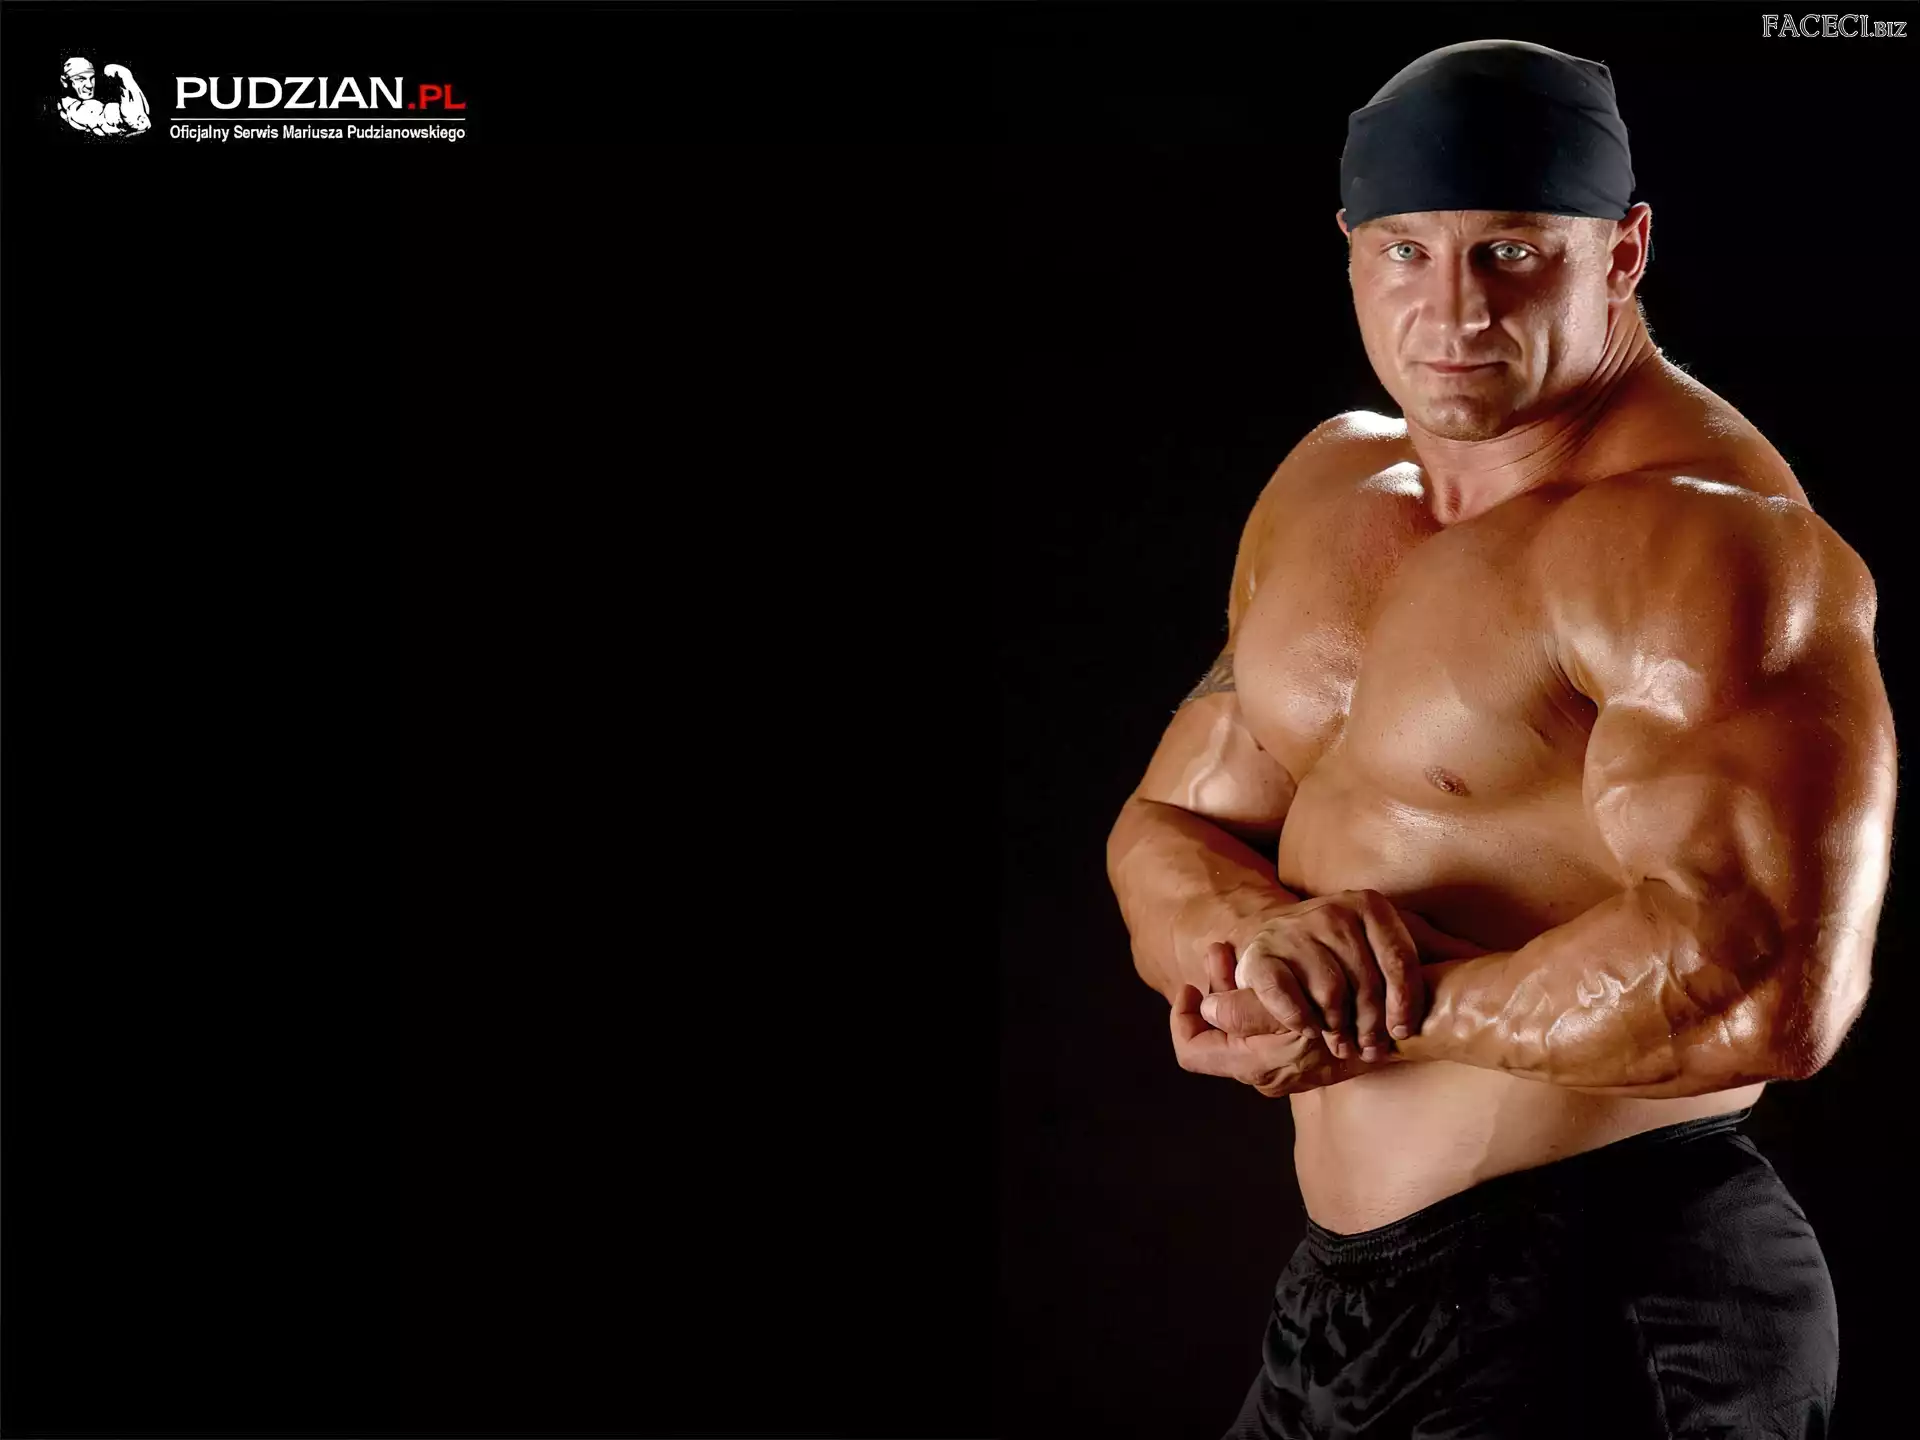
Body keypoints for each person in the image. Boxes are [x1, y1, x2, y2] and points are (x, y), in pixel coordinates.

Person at [1104, 39, 1895, 1439]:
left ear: (1623, 252)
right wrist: (1248, 946)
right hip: (1345, 1306)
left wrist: (1366, 1006)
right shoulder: (1330, 486)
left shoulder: (1706, 542)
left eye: (1513, 254)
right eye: (1408, 252)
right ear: (1351, 248)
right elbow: (1174, 824)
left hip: (1610, 1290)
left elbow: (1765, 985)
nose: (1453, 311)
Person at [59, 57, 151, 137]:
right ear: (64, 81)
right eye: (80, 79)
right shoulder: (78, 109)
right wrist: (125, 76)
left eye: (92, 78)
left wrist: (126, 78)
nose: (89, 85)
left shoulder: (96, 104)